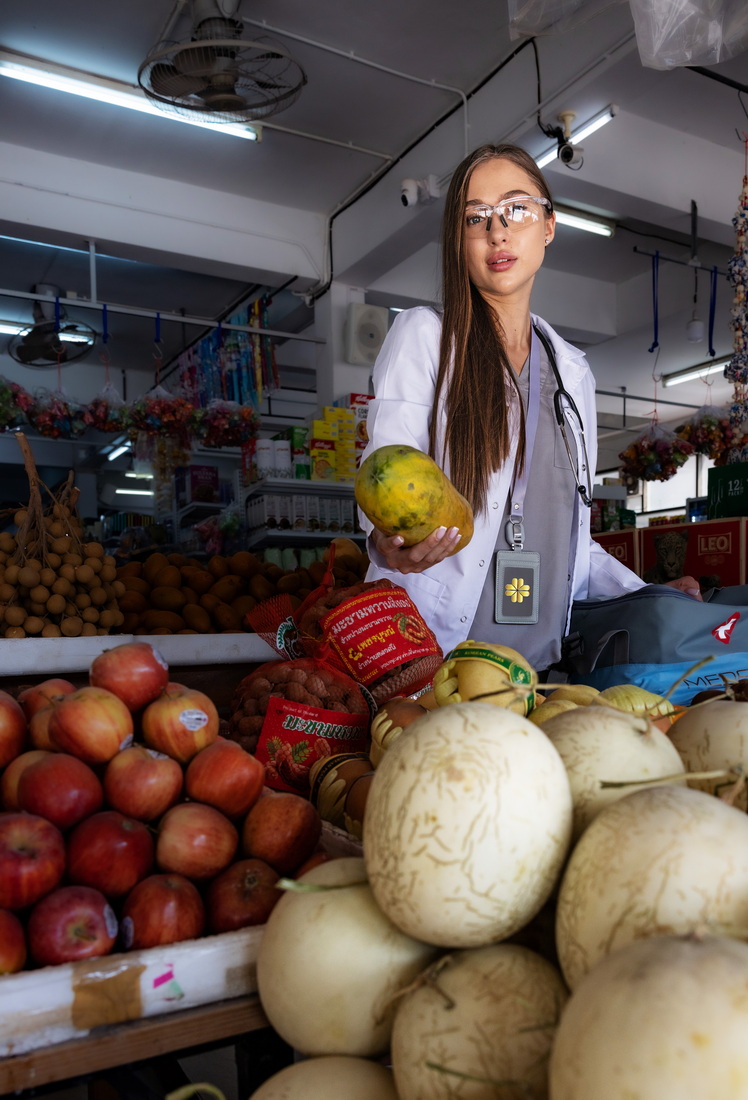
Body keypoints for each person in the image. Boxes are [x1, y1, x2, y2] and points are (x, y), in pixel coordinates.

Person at [358, 142, 701, 671]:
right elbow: (383, 476)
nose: (497, 231)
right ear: (458, 241)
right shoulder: (426, 337)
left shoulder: (572, 372)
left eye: (516, 208)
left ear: (549, 225)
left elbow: (571, 542)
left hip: (544, 671)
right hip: (435, 663)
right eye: (476, 217)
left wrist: (648, 594)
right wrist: (387, 541)